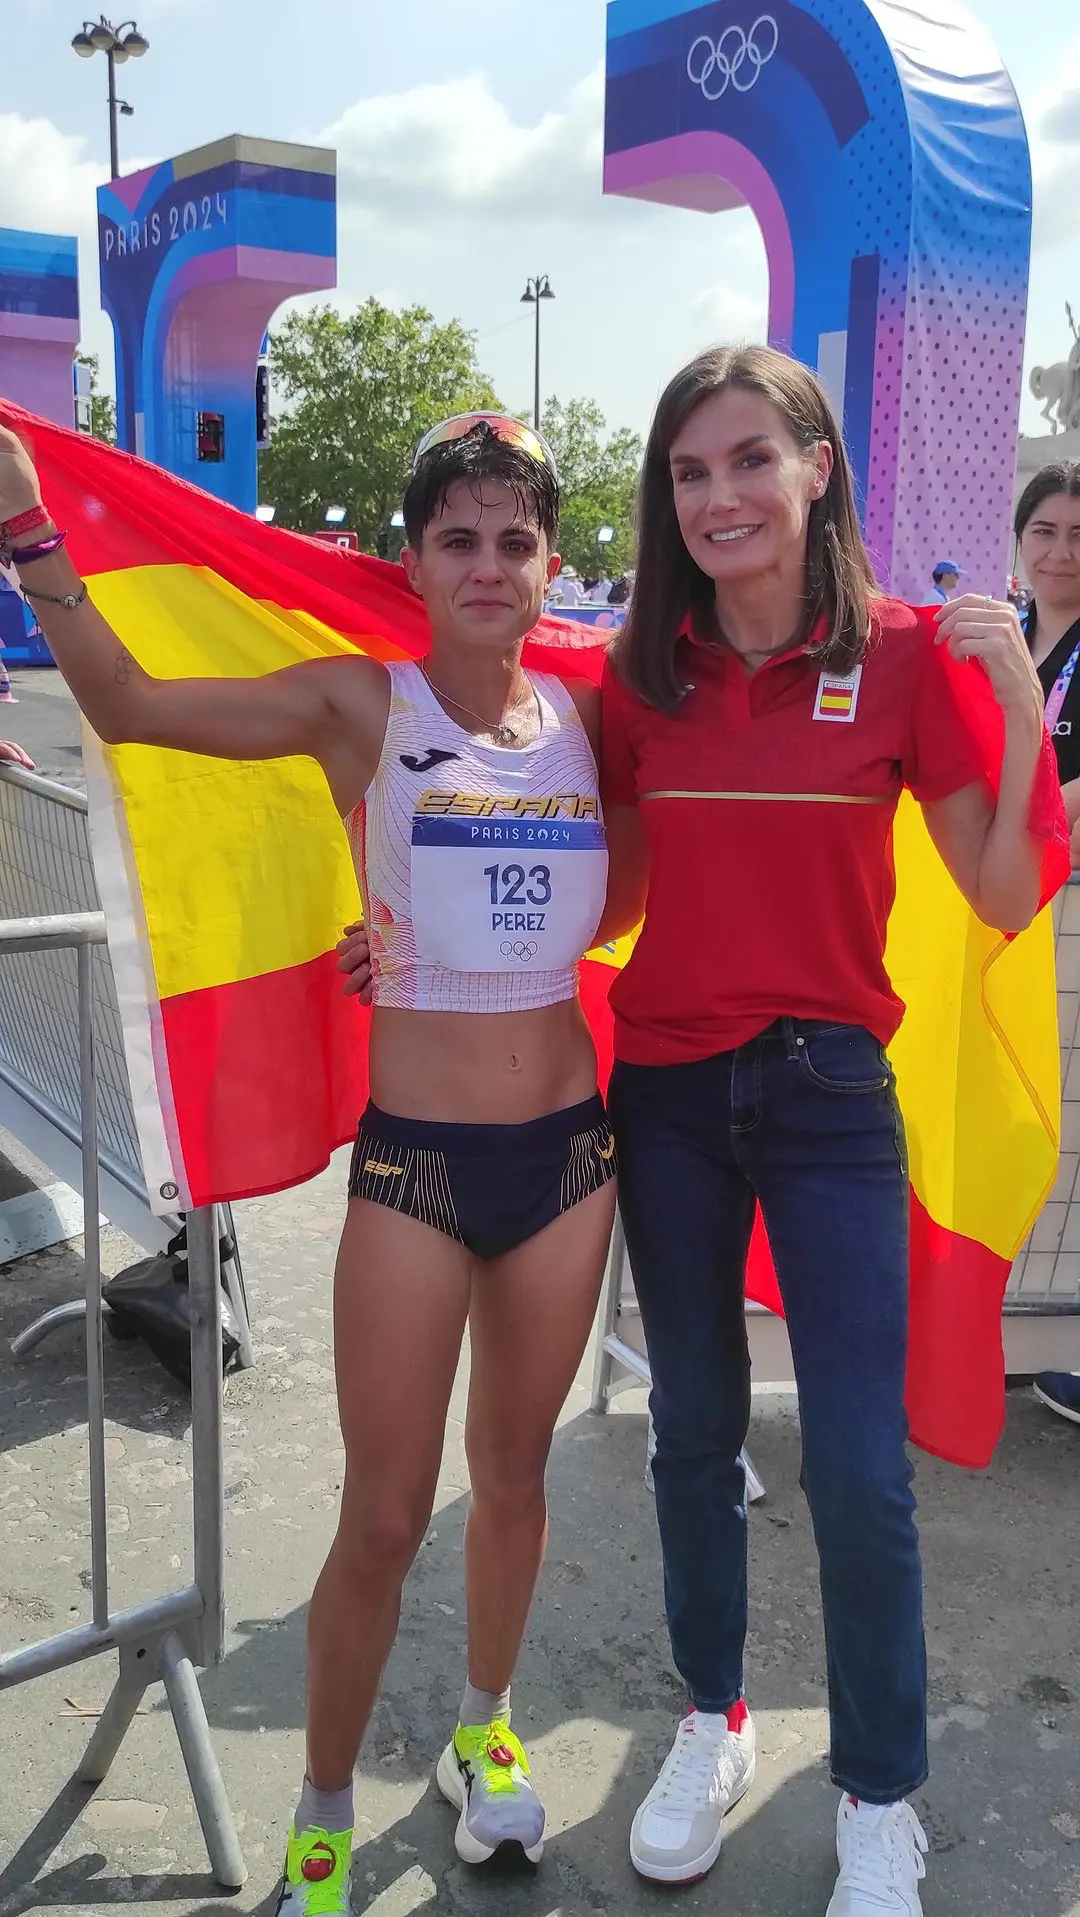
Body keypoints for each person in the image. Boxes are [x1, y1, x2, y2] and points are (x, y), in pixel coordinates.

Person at [337, 346, 1058, 1915]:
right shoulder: (637, 682)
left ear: (816, 471)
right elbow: (572, 855)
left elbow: (1002, 894)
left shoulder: (918, 660)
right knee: (690, 1441)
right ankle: (711, 1721)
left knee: (860, 1469)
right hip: (663, 1094)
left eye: (748, 460)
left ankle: (877, 1792)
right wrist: (404, 929)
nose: (719, 495)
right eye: (688, 471)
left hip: (827, 1098)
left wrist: (1020, 703)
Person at [0, 412, 623, 1913]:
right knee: (386, 1515)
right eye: (457, 538)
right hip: (416, 1168)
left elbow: (621, 901)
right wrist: (32, 539)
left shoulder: (601, 718)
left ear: (548, 566)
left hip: (568, 1159)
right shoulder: (366, 700)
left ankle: (485, 1736)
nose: (487, 564)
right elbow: (136, 705)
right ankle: (327, 1814)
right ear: (414, 562)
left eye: (513, 540)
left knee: (517, 1478)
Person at [1013, 458, 1080, 1424]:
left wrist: (1026, 840)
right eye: (1045, 534)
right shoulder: (1004, 639)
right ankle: (1018, 1329)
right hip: (1012, 910)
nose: (1063, 554)